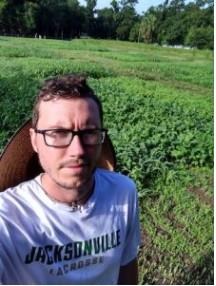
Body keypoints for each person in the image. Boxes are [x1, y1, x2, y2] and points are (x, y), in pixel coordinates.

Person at [0, 74, 140, 284]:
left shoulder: (123, 192)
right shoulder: (8, 219)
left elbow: (127, 267)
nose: (77, 150)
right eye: (58, 132)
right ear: (34, 141)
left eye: (89, 132)